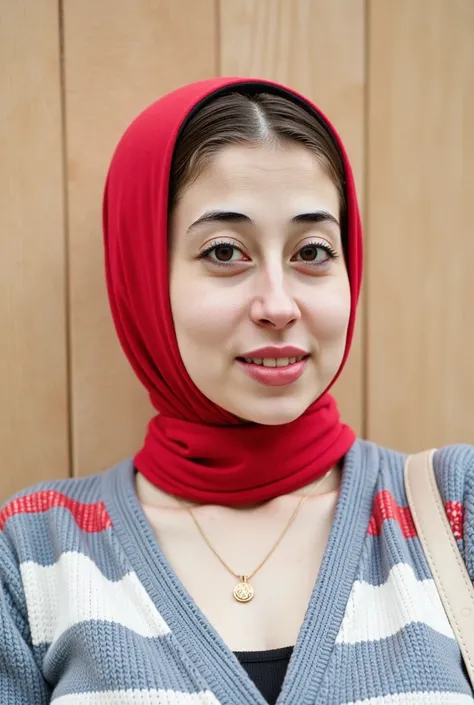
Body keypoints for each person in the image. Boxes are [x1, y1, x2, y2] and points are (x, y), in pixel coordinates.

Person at [1, 76, 473, 705]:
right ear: (143, 274)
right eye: (225, 251)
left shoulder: (453, 510)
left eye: (312, 251)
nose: (279, 305)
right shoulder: (33, 552)